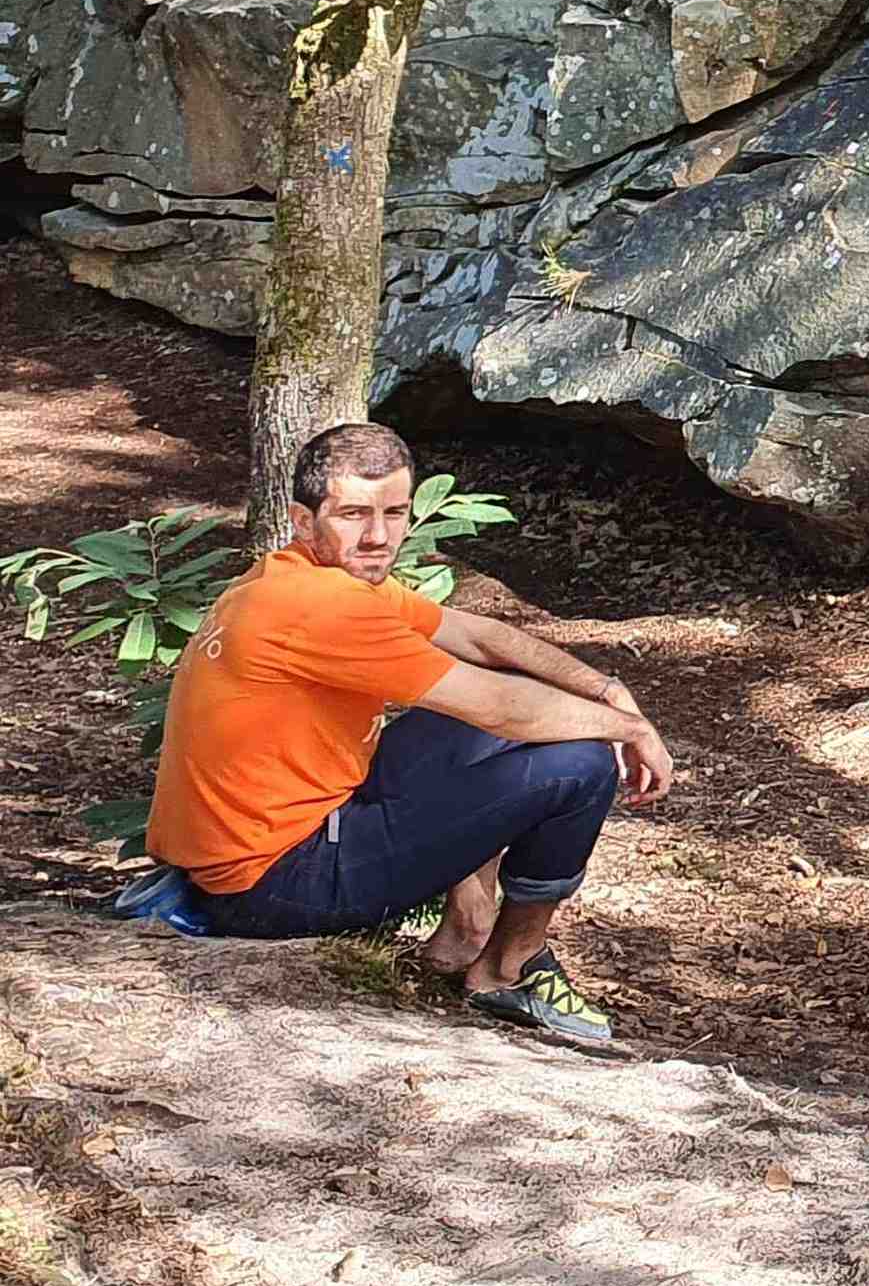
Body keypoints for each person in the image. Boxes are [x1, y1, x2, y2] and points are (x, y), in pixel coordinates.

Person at [149, 422, 678, 1042]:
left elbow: (483, 638)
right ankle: (509, 972)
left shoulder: (297, 578)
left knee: (494, 725)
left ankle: (465, 930)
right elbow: (504, 707)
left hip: (302, 826)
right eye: (352, 515)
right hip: (273, 883)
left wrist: (605, 690)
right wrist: (630, 729)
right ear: (301, 519)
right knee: (581, 765)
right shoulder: (322, 609)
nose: (378, 536)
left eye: (394, 512)